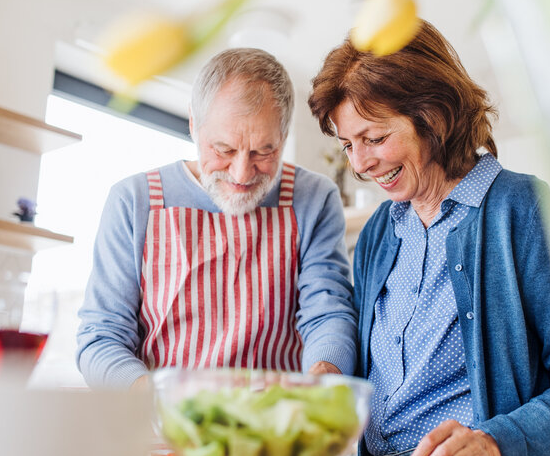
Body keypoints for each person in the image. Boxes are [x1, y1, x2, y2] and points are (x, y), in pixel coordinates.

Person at [308, 20, 550, 456]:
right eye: (348, 145)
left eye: (374, 138)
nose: (362, 163)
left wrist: (494, 443)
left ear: (434, 116)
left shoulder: (523, 210)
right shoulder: (379, 231)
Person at [77, 48, 356, 389]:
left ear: (283, 139)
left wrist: (321, 380)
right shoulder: (133, 201)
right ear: (194, 124)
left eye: (263, 151)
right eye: (223, 149)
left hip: (271, 425)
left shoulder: (314, 198)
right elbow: (101, 337)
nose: (241, 172)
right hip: (159, 427)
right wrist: (151, 400)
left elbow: (327, 313)